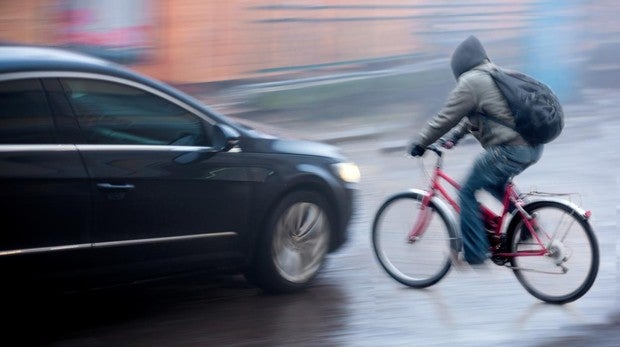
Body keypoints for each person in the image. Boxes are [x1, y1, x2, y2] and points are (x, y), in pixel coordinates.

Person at [408, 35, 544, 265]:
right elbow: (477, 117)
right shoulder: (496, 74)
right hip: (532, 147)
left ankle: (474, 253)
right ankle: (528, 221)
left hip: (509, 150)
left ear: (460, 65)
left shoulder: (471, 81)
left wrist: (420, 142)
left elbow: (445, 117)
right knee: (493, 181)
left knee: (466, 192)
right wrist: (454, 138)